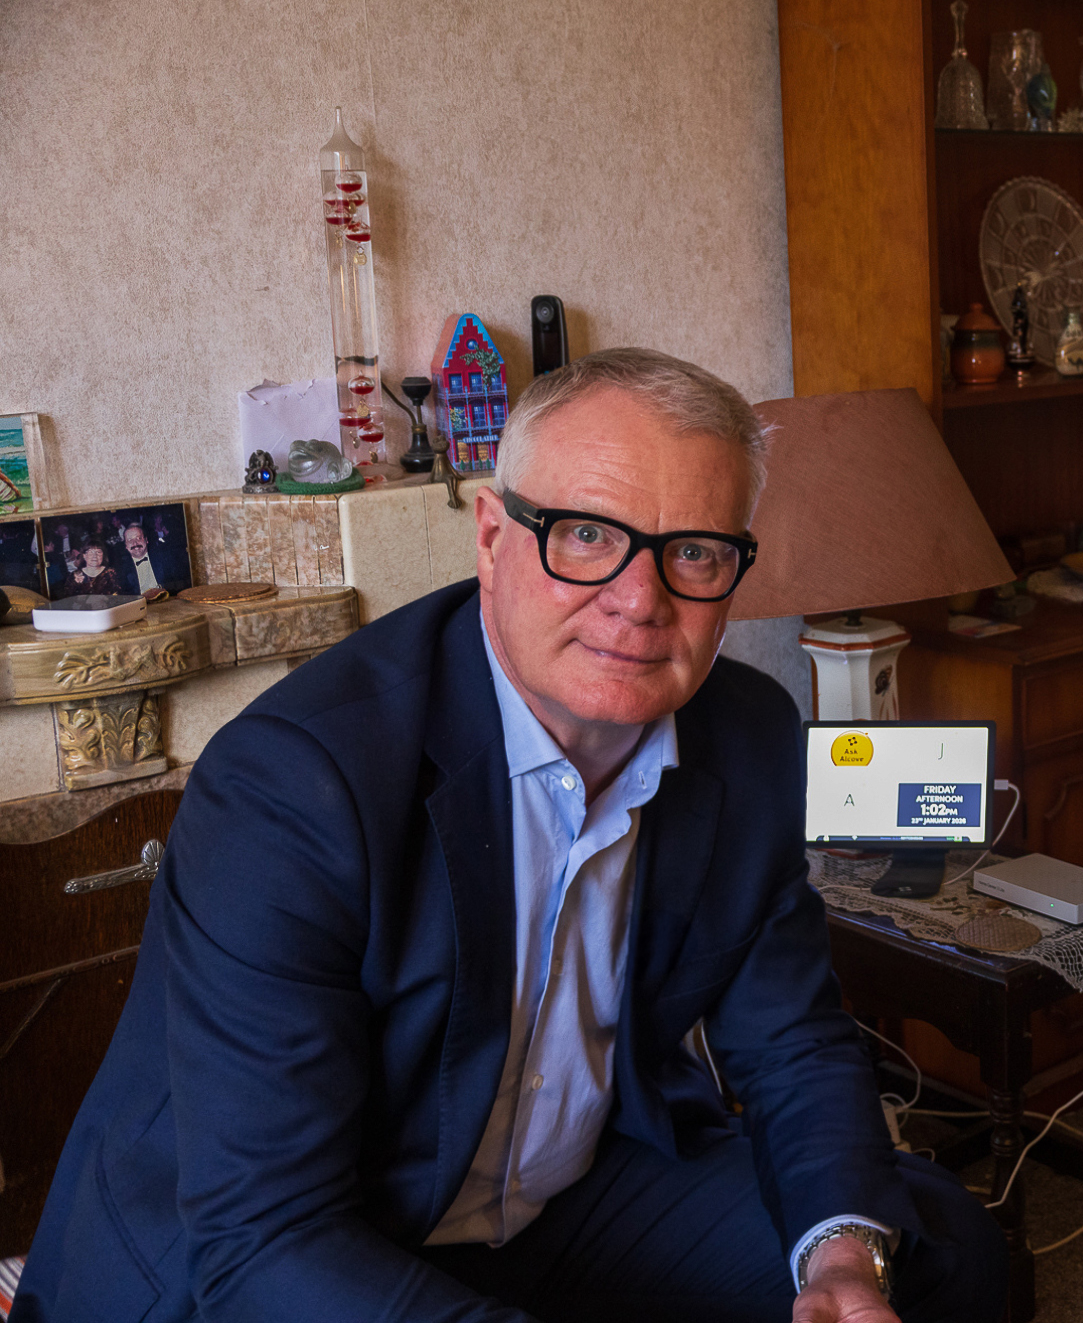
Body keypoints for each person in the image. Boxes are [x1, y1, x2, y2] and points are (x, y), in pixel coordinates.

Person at [19, 348, 1006, 1323]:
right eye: (585, 534)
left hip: (546, 1204)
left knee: (935, 1250)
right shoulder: (294, 782)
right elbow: (267, 1236)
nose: (638, 599)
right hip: (275, 1257)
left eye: (694, 551)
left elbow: (790, 1041)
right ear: (492, 537)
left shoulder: (743, 738)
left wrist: (840, 1260)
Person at [120, 523, 160, 593]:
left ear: (146, 540)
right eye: (130, 540)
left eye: (138, 538)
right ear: (126, 545)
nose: (135, 543)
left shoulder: (162, 558)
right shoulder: (123, 569)